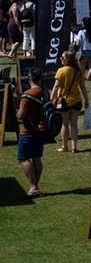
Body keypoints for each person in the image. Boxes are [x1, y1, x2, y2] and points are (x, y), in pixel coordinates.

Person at [51, 50, 90, 153]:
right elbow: (83, 87)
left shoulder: (61, 71)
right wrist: (86, 100)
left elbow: (56, 86)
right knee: (74, 124)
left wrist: (52, 98)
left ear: (68, 59)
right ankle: (74, 147)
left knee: (65, 123)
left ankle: (64, 146)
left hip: (64, 101)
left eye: (63, 57)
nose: (61, 59)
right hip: (76, 100)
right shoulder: (78, 71)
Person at [17, 66, 45, 198]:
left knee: (22, 159)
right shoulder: (44, 92)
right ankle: (35, 187)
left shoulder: (27, 96)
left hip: (27, 131)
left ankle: (33, 187)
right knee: (36, 158)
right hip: (40, 130)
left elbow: (20, 115)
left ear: (29, 78)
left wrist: (20, 103)